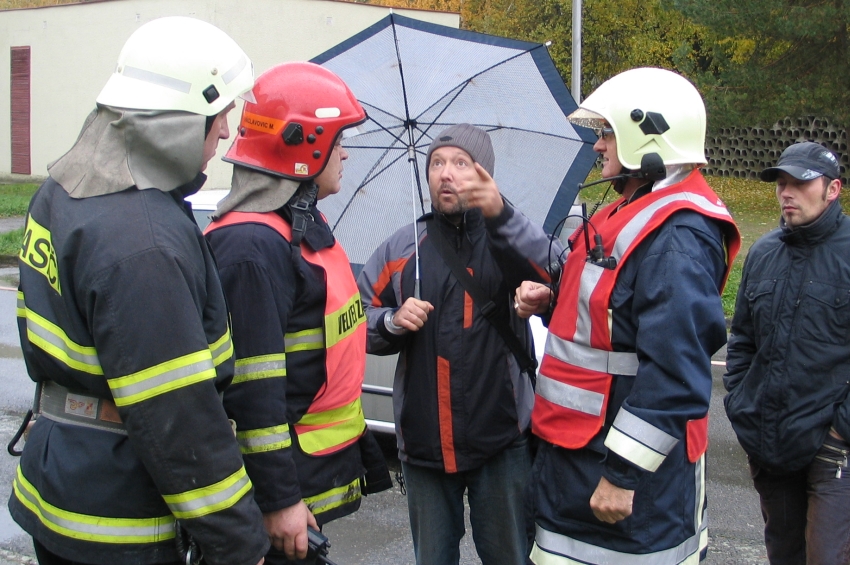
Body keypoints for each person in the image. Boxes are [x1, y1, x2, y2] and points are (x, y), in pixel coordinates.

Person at [9, 16, 269, 565]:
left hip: (62, 480)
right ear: (177, 123)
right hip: (124, 513)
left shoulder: (62, 190)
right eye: (219, 114)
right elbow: (176, 414)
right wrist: (241, 541)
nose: (225, 132)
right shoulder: (143, 240)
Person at [514, 67, 741, 564]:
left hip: (622, 480)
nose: (598, 146)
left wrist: (622, 474)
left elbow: (677, 373)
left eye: (608, 132)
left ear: (650, 133)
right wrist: (552, 303)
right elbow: (613, 319)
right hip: (579, 455)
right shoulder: (632, 208)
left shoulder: (678, 236)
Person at [203, 62, 392, 565]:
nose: (346, 152)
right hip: (280, 490)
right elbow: (254, 391)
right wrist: (279, 499)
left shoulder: (293, 227)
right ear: (304, 145)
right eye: (339, 138)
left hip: (305, 472)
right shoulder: (252, 247)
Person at [357, 123, 561, 565]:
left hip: (501, 440)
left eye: (459, 163)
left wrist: (538, 296)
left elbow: (560, 277)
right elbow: (355, 320)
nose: (445, 174)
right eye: (436, 163)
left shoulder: (510, 237)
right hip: (425, 445)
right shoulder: (401, 248)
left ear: (483, 174)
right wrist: (391, 320)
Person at [724, 141, 850, 565]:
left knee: (827, 555)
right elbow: (741, 338)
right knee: (783, 553)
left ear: (833, 190)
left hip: (832, 449)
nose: (786, 192)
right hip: (770, 440)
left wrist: (842, 431)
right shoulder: (764, 253)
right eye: (781, 183)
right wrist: (740, 403)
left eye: (799, 183)